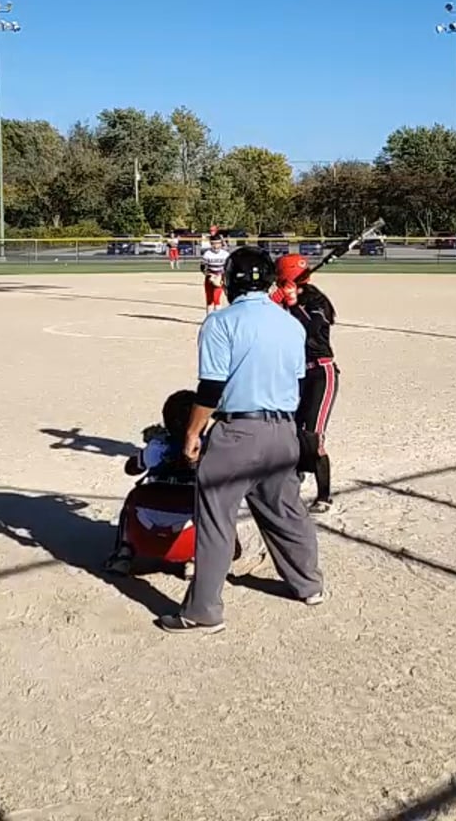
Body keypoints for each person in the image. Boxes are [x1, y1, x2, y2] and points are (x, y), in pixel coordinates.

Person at [159, 245, 324, 635]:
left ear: (231, 282)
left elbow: (211, 387)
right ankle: (309, 585)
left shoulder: (221, 323)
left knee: (216, 519)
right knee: (286, 511)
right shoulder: (291, 324)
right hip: (283, 431)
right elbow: (298, 380)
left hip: (238, 433)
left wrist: (193, 432)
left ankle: (204, 610)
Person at [271, 253, 341, 514]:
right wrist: (274, 305)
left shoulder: (315, 299)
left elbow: (312, 330)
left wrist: (293, 304)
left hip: (321, 372)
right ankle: (293, 480)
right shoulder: (284, 299)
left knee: (313, 435)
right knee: (291, 431)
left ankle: (324, 497)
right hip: (296, 374)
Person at [104, 389, 199, 575]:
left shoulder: (158, 446)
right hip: (188, 527)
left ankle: (123, 554)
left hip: (146, 531)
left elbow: (131, 468)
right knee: (217, 502)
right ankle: (198, 559)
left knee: (134, 496)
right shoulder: (209, 447)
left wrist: (150, 446)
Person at [199, 233, 231, 313]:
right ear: (210, 244)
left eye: (218, 243)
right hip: (210, 277)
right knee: (209, 300)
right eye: (213, 244)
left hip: (220, 277)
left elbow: (229, 268)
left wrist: (222, 276)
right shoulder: (207, 254)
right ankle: (209, 318)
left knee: (216, 299)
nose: (216, 246)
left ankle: (217, 317)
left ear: (221, 243)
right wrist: (209, 274)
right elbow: (203, 268)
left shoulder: (225, 254)